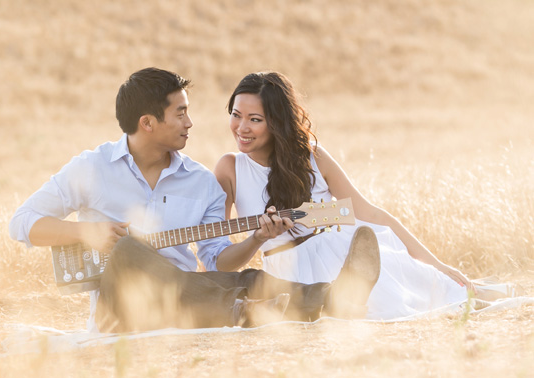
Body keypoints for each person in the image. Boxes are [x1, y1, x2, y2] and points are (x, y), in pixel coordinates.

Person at [9, 67, 380, 333]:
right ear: (148, 123)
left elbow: (218, 260)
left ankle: (335, 298)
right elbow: (23, 223)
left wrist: (257, 239)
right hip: (122, 310)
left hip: (185, 305)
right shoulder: (91, 168)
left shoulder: (202, 183)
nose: (190, 123)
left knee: (249, 278)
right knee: (127, 252)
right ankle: (240, 311)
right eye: (180, 113)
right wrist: (88, 232)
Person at [214, 71, 503, 320]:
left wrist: (436, 264)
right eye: (236, 115)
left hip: (343, 254)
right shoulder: (230, 168)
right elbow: (222, 262)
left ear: (277, 122)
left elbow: (368, 213)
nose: (242, 128)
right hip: (287, 275)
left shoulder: (311, 156)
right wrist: (257, 238)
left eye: (255, 119)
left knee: (433, 300)